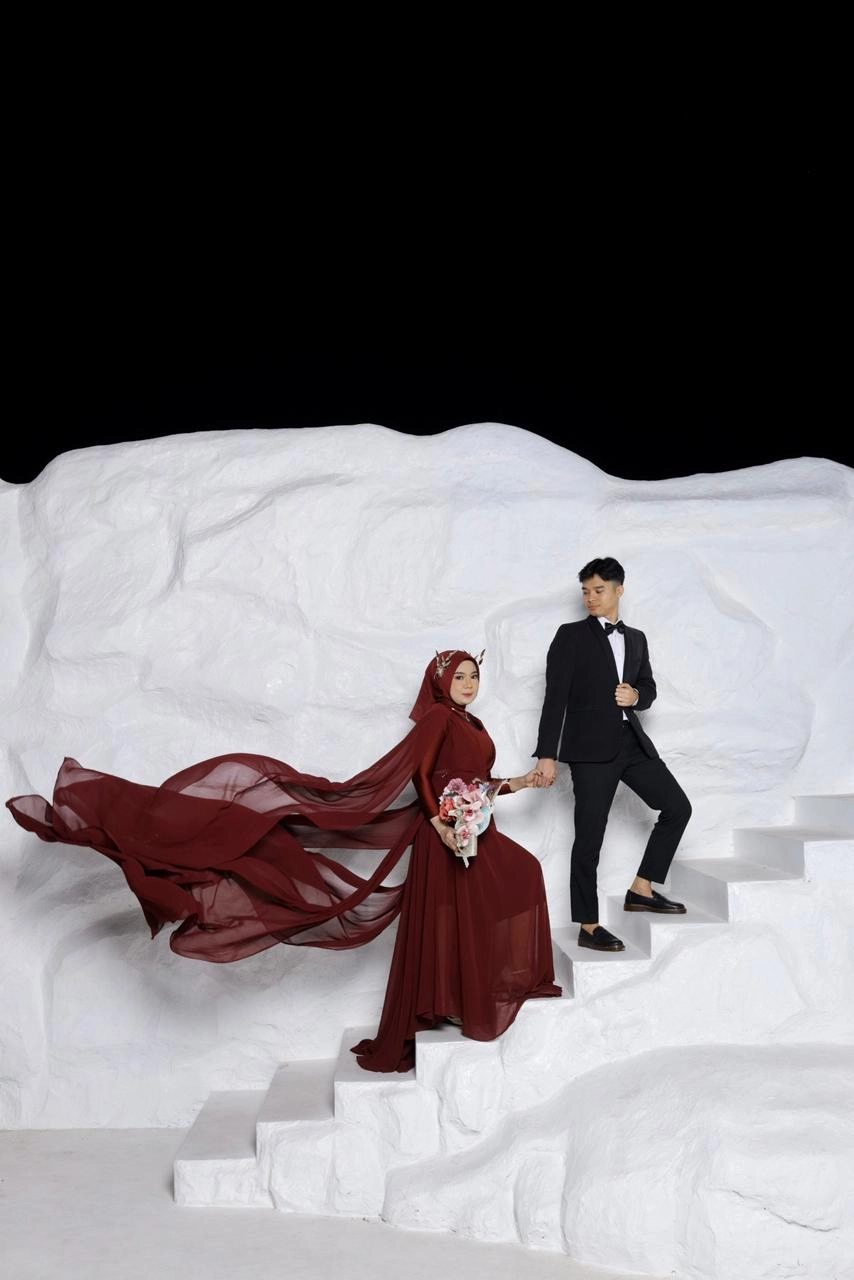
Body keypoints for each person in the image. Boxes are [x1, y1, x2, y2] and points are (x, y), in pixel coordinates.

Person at [6, 649, 561, 1073]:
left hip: (471, 830)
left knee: (500, 889)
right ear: (440, 682)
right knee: (474, 901)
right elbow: (421, 775)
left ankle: (462, 998)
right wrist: (440, 820)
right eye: (459, 676)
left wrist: (519, 782)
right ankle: (455, 1004)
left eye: (473, 676)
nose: (468, 684)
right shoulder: (439, 720)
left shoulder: (474, 725)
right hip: (444, 835)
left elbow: (476, 782)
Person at [533, 557, 692, 952]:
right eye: (585, 591)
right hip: (589, 752)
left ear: (619, 590)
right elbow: (555, 698)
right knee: (589, 838)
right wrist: (547, 754)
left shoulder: (636, 638)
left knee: (677, 808)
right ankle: (588, 926)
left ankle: (642, 888)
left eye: (598, 590)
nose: (590, 597)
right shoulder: (570, 635)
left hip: (632, 744)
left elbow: (648, 687)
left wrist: (636, 696)